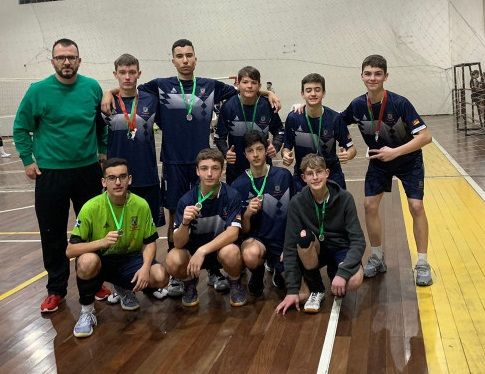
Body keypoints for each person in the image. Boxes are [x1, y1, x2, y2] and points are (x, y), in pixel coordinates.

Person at [101, 39, 279, 296]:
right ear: (172, 60)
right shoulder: (159, 86)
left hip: (204, 163)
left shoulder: (210, 86)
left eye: (189, 55)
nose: (185, 60)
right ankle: (178, 277)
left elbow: (245, 89)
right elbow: (127, 87)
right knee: (177, 215)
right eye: (179, 56)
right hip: (173, 163)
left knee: (211, 212)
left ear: (195, 59)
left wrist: (267, 93)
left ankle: (216, 270)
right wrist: (109, 92)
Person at [13, 38, 110, 313]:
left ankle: (94, 283)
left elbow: (100, 126)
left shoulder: (92, 87)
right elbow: (20, 128)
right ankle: (56, 290)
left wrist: (102, 150)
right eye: (61, 57)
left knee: (93, 231)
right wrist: (27, 160)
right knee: (52, 234)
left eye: (71, 57)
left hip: (87, 171)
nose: (66, 62)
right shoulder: (38, 91)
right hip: (51, 174)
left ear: (79, 60)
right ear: (53, 61)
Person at [341, 54, 433, 286]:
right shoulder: (357, 105)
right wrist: (304, 105)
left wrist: (396, 152)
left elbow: (425, 136)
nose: (372, 78)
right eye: (368, 73)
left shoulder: (400, 103)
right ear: (362, 76)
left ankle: (422, 262)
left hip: (408, 160)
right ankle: (377, 256)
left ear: (385, 76)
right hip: (379, 162)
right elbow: (336, 120)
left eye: (377, 74)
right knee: (369, 205)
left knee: (416, 205)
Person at [66, 158, 169, 338]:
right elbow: (70, 251)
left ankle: (123, 288)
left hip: (130, 259)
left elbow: (150, 241)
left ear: (130, 179)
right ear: (104, 182)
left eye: (122, 177)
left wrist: (145, 268)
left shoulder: (141, 205)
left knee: (160, 276)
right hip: (101, 260)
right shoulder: (91, 207)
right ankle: (87, 312)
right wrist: (101, 242)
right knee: (87, 260)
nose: (118, 182)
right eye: (112, 178)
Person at [276, 154, 365, 315]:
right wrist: (291, 290)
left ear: (327, 173)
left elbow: (358, 241)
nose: (315, 177)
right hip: (316, 250)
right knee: (303, 237)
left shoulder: (345, 198)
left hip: (340, 249)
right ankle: (317, 289)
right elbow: (289, 246)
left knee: (354, 280)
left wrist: (343, 273)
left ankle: (335, 272)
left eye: (319, 172)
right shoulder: (297, 202)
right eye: (310, 174)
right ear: (303, 177)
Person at [165, 148, 247, 307]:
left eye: (215, 168)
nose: (209, 173)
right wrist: (185, 223)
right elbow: (178, 243)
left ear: (222, 171)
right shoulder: (186, 200)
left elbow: (233, 233)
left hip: (219, 251)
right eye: (204, 168)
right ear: (197, 171)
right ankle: (189, 284)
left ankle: (235, 283)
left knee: (232, 251)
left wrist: (203, 250)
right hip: (193, 255)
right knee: (172, 259)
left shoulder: (232, 196)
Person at [103, 53, 164, 227]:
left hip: (146, 174)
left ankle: (148, 256)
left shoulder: (151, 100)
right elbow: (95, 133)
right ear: (115, 74)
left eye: (132, 72)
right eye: (122, 72)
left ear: (139, 73)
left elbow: (168, 125)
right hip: (117, 177)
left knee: (148, 226)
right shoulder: (107, 103)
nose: (127, 77)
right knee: (118, 225)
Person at [231, 131, 294, 296]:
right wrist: (247, 214)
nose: (256, 155)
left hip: (282, 240)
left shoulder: (283, 176)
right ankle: (257, 274)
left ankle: (278, 271)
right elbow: (242, 231)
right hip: (257, 239)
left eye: (259, 149)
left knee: (289, 280)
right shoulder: (238, 185)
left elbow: (296, 214)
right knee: (250, 255)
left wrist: (290, 244)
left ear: (266, 150)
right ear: (245, 154)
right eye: (250, 151)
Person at [282, 73, 356, 191]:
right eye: (308, 90)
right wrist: (286, 156)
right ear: (303, 94)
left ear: (323, 93)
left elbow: (352, 149)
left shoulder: (335, 118)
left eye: (317, 90)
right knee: (300, 208)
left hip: (331, 173)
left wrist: (348, 155)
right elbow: (286, 148)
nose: (313, 94)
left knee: (337, 208)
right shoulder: (293, 118)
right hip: (304, 175)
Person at [215, 66, 284, 185]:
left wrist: (276, 146)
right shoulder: (228, 107)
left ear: (259, 86)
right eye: (245, 82)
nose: (249, 86)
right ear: (238, 84)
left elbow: (280, 131)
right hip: (236, 169)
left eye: (254, 82)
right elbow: (219, 137)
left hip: (263, 168)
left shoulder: (267, 105)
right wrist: (226, 152)